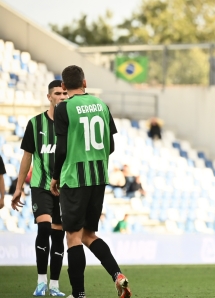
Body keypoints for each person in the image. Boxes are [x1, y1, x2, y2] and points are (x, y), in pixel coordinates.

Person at [50, 65, 132, 298]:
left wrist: (55, 177)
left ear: (64, 87)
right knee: (88, 235)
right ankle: (117, 275)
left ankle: (79, 294)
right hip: (98, 178)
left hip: (75, 180)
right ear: (84, 83)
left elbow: (62, 149)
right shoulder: (102, 106)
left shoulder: (63, 108)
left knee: (73, 237)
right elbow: (111, 145)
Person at [11, 80, 68, 296]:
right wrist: (18, 187)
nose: (62, 96)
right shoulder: (35, 124)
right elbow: (27, 156)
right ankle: (41, 281)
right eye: (57, 93)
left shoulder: (72, 125)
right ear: (49, 97)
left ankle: (54, 285)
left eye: (64, 93)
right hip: (41, 186)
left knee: (58, 236)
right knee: (44, 228)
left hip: (64, 188)